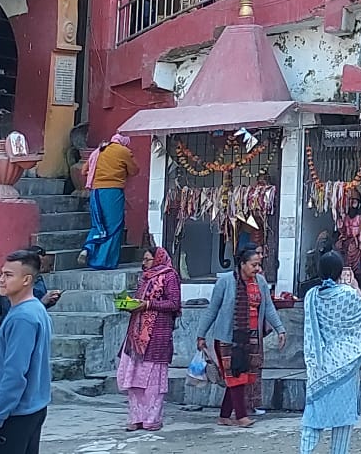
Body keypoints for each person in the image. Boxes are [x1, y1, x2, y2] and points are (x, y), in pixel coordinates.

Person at [195, 244, 287, 427]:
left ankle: (224, 415)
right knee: (236, 375)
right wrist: (201, 335)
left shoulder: (260, 282)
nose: (257, 269)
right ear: (242, 264)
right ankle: (241, 416)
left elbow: (268, 307)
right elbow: (212, 309)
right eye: (254, 265)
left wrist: (280, 329)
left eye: (259, 265)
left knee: (242, 375)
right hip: (227, 338)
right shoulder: (226, 282)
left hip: (251, 337)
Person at [302, 252, 361, 454]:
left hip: (319, 362)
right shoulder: (348, 295)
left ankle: (305, 450)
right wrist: (355, 287)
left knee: (313, 414)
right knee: (343, 417)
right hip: (345, 363)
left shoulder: (311, 296)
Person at [0, 251, 52, 454]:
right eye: (1, 274)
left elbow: (14, 375)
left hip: (15, 413)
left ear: (26, 280)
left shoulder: (23, 318)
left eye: (9, 275)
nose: (1, 280)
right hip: (33, 407)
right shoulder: (36, 309)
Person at [116, 245, 181, 432]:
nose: (144, 264)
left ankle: (152, 419)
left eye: (147, 260)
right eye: (143, 260)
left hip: (157, 334)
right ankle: (136, 418)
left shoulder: (169, 276)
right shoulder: (145, 277)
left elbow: (174, 303)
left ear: (158, 259)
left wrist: (147, 304)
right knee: (134, 377)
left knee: (153, 380)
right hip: (136, 334)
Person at [82, 134, 137, 271]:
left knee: (98, 224)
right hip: (112, 192)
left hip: (95, 192)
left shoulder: (99, 150)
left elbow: (84, 171)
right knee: (114, 226)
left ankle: (88, 249)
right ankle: (104, 261)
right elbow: (135, 170)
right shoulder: (123, 151)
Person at [0, 247, 61, 334]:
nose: (1, 280)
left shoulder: (36, 283)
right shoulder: (7, 291)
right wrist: (42, 303)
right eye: (3, 274)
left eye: (8, 275)